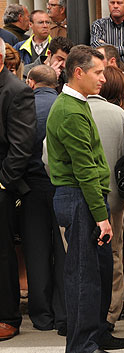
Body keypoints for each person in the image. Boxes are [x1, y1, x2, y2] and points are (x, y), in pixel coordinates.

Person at [46, 45, 124, 351]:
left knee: (100, 271)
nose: (103, 79)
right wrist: (101, 217)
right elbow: (84, 169)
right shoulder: (69, 110)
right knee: (84, 276)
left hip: (85, 198)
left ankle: (96, 333)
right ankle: (82, 344)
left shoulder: (76, 103)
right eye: (97, 72)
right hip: (80, 198)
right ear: (78, 72)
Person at [22, 65, 66, 336]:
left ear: (31, 82)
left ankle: (41, 314)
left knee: (36, 250)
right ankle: (63, 311)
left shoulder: (24, 107)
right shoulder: (63, 106)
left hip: (30, 185)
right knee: (63, 250)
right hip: (61, 183)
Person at [87, 66, 124, 332]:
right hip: (113, 200)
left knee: (78, 258)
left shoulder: (65, 109)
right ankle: (109, 316)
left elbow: (47, 160)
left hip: (77, 197)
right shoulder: (121, 115)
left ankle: (84, 315)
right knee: (113, 255)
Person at [0, 37, 35, 341]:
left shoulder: (16, 90)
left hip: (2, 186)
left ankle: (8, 315)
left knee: (2, 253)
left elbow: (22, 145)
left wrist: (3, 181)